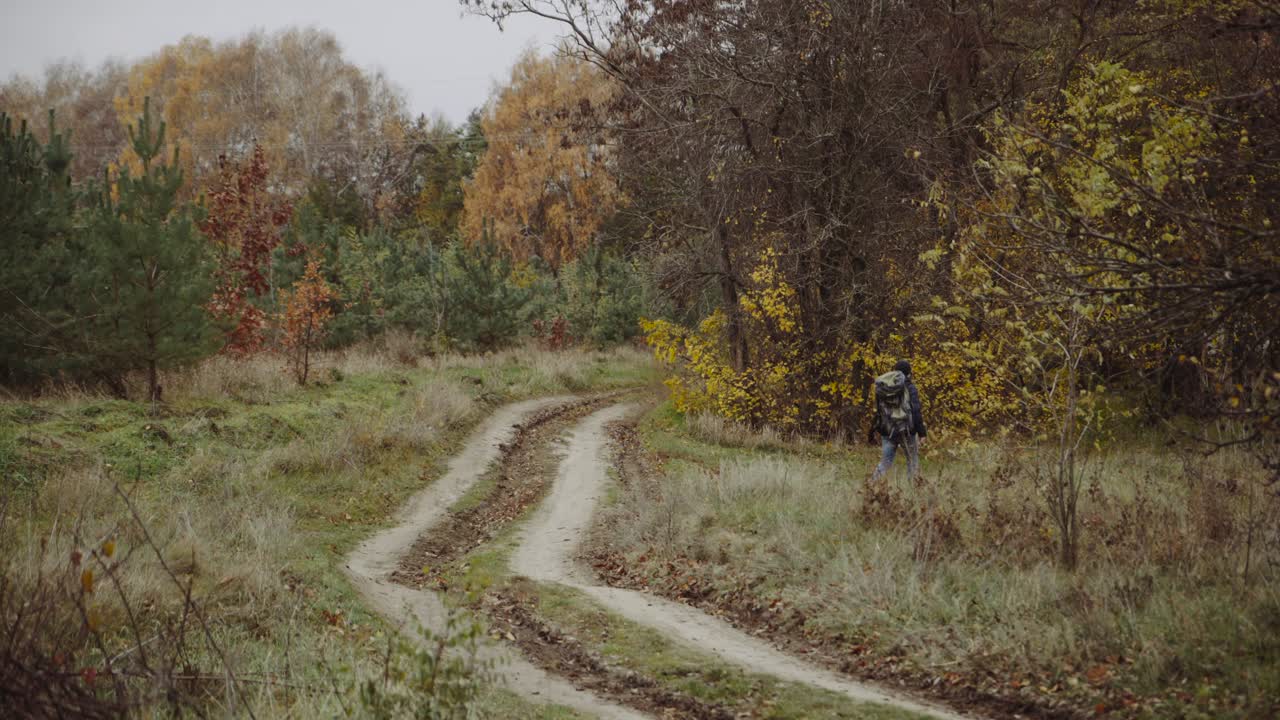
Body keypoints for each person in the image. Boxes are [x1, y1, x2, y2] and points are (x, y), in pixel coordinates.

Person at [869, 359, 927, 480]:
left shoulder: (884, 387)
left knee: (885, 463)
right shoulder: (910, 388)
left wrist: (873, 430)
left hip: (888, 431)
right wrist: (922, 433)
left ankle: (871, 485)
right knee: (912, 462)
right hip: (907, 431)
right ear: (909, 373)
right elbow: (916, 411)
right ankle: (913, 491)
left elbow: (879, 411)